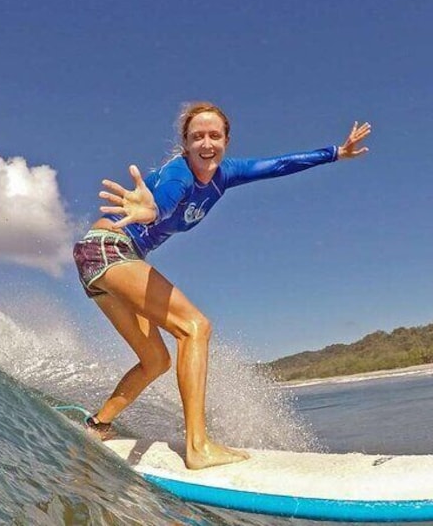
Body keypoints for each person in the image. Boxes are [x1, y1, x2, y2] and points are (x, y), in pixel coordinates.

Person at [73, 101, 371, 469]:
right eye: (197, 136)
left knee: (156, 361)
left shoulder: (225, 175)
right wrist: (150, 212)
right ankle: (197, 447)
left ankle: (98, 424)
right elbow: (163, 205)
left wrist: (335, 153)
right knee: (195, 327)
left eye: (214, 135)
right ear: (185, 143)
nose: (206, 143)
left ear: (226, 140)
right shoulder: (177, 174)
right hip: (108, 249)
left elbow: (278, 165)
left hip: (104, 259)